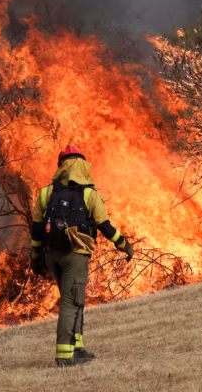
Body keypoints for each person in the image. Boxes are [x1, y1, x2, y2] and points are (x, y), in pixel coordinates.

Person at [30, 146, 134, 368]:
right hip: (75, 256)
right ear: (83, 167)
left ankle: (78, 348)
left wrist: (35, 255)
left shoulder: (46, 193)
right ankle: (65, 356)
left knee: (74, 300)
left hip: (52, 255)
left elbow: (37, 228)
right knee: (71, 302)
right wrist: (124, 244)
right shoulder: (89, 194)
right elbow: (105, 227)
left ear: (61, 168)